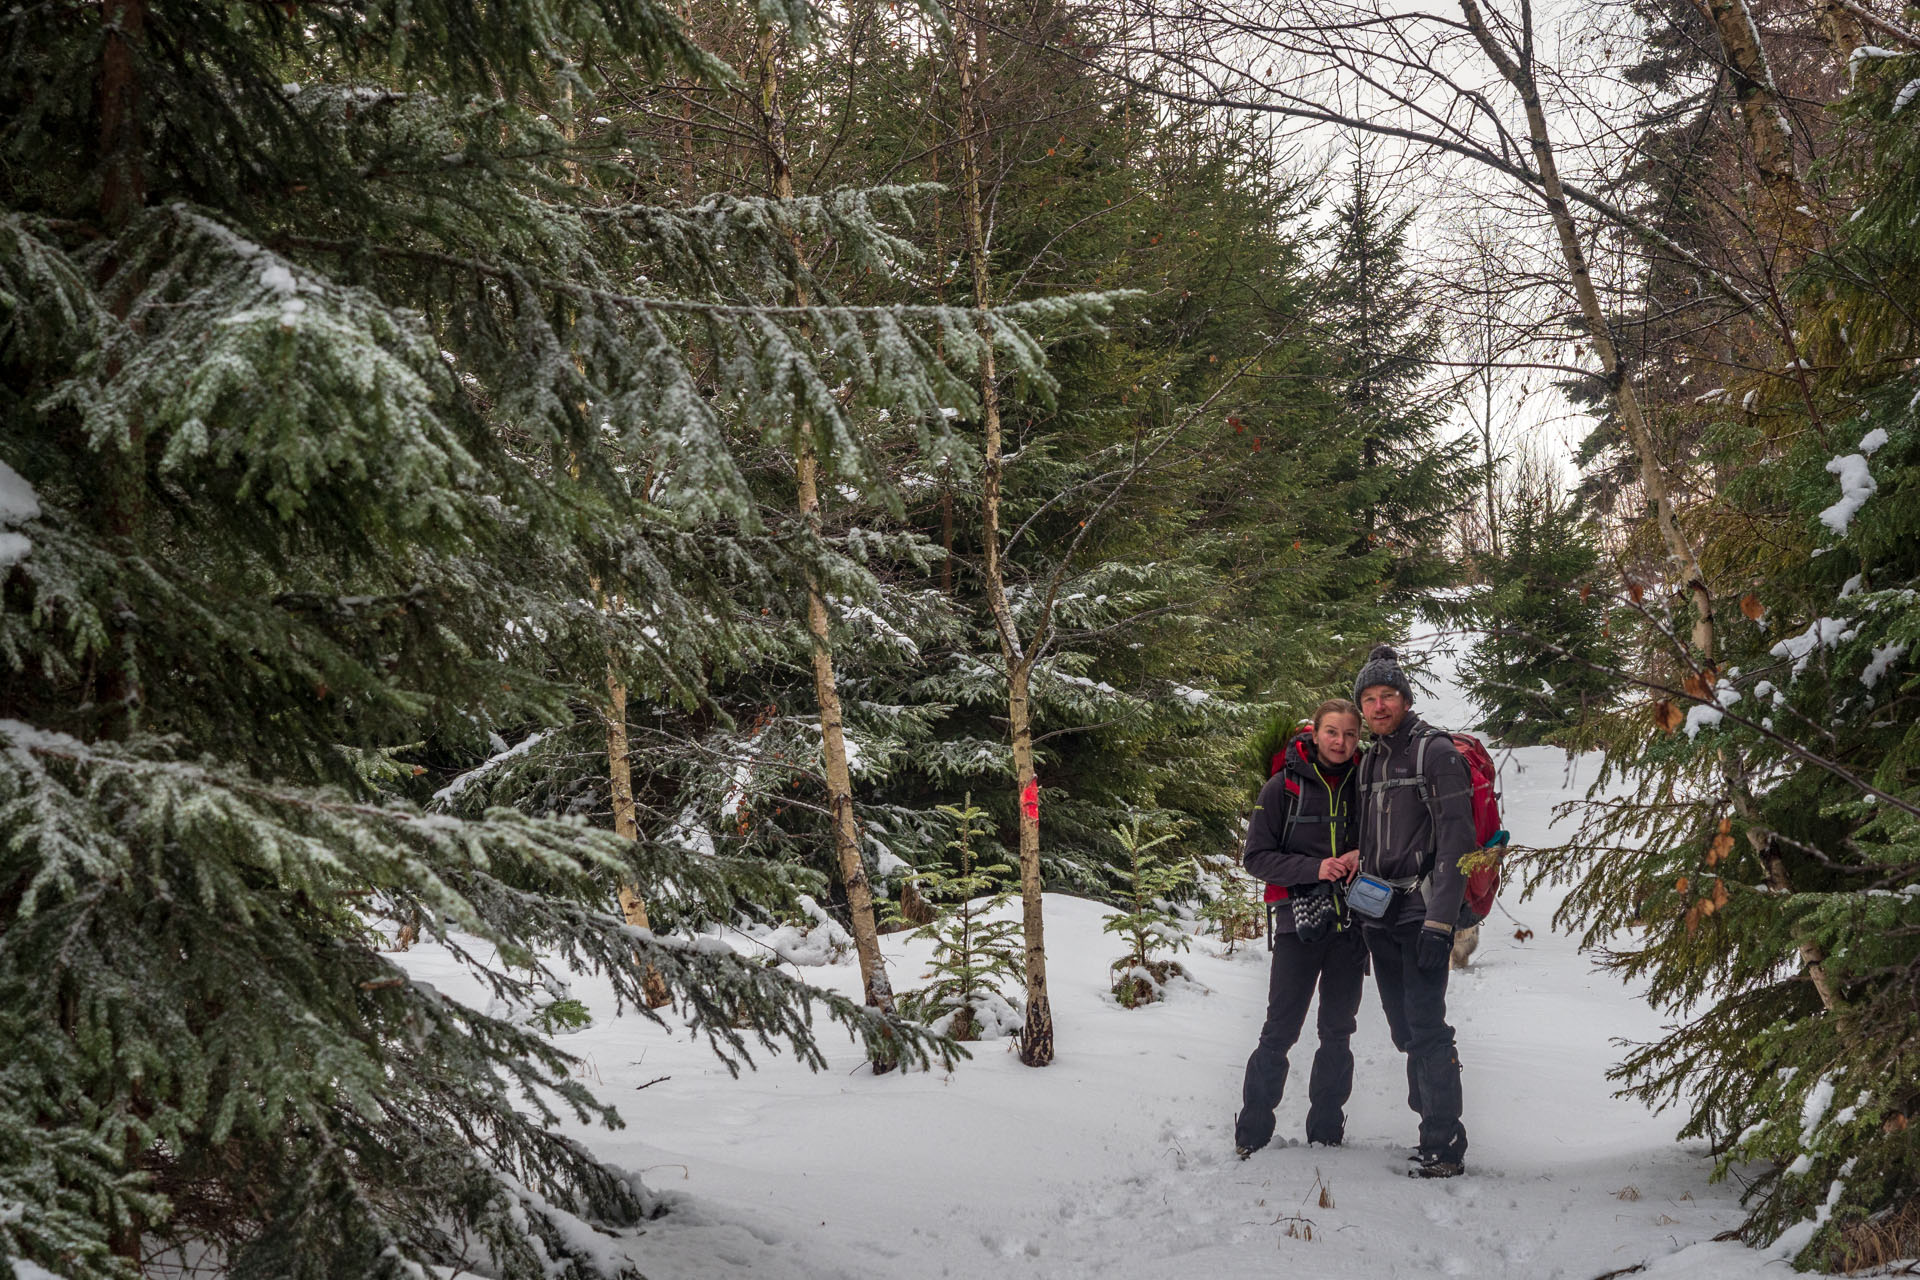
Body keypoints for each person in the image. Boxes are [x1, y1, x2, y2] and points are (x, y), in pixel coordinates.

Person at [1351, 644, 1476, 1178]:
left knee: (1427, 1026)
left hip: (1422, 911)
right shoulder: (1372, 756)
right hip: (1379, 913)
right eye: (1370, 698)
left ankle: (1443, 1142)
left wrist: (1441, 922)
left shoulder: (1436, 753)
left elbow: (1457, 842)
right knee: (1404, 1029)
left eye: (1388, 696)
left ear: (1405, 698)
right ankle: (1433, 1122)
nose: (1379, 706)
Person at [1233, 698, 1367, 1157]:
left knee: (1338, 1029)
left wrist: (1358, 857)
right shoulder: (1281, 788)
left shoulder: (1366, 784)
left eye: (1350, 734)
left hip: (1352, 925)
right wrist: (1315, 869)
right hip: (1298, 924)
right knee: (1280, 1029)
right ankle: (1252, 1133)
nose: (1341, 742)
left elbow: (1385, 841)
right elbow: (1255, 857)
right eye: (1333, 732)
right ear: (1315, 733)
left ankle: (1327, 1132)